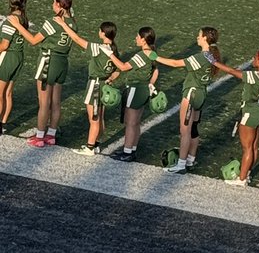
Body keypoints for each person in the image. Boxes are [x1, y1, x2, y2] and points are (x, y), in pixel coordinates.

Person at [11, 0, 77, 148]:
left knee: (44, 102)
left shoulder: (52, 22)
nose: (52, 5)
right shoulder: (73, 23)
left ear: (60, 5)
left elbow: (34, 40)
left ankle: (40, 135)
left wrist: (17, 25)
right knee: (56, 102)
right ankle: (51, 135)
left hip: (49, 61)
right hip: (62, 63)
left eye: (54, 3)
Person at [153, 28, 222, 172]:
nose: (197, 37)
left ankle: (181, 164)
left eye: (199, 35)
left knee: (185, 131)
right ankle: (191, 159)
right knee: (194, 128)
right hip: (201, 93)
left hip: (191, 93)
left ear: (205, 38)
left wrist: (155, 57)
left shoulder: (201, 57)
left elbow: (175, 63)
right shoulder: (212, 56)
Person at [52, 17, 121, 156]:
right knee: (100, 117)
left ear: (103, 33)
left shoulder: (99, 48)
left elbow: (77, 39)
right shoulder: (114, 49)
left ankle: (90, 147)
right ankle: (96, 144)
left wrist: (63, 25)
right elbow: (118, 69)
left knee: (94, 118)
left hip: (95, 85)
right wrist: (111, 78)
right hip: (104, 85)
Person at [210, 49, 259, 186]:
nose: (253, 58)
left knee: (247, 148)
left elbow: (233, 72)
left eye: (255, 57)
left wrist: (215, 62)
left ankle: (242, 179)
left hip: (250, 112)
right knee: (254, 146)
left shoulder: (253, 75)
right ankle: (248, 173)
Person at [109, 27, 160, 162]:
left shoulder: (142, 55)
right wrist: (151, 84)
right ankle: (132, 149)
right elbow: (156, 71)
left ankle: (127, 152)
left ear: (143, 39)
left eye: (138, 37)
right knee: (136, 122)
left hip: (135, 88)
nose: (136, 39)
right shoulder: (153, 53)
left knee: (131, 122)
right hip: (144, 89)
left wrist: (110, 55)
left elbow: (123, 67)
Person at [0, 0, 29, 135]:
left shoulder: (10, 20)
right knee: (8, 93)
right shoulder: (24, 18)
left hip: (8, 57)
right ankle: (3, 123)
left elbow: (4, 45)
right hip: (18, 56)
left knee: (0, 94)